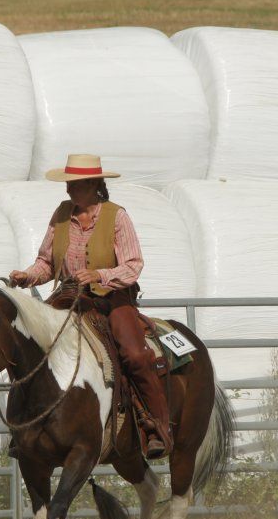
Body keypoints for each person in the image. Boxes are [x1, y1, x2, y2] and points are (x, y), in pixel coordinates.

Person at [9, 154, 171, 459]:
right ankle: (25, 427)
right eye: (69, 184)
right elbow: (46, 263)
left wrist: (100, 274)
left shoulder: (116, 217)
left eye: (76, 185)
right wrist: (27, 276)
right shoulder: (61, 214)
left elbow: (133, 265)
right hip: (68, 297)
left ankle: (154, 424)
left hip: (111, 300)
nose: (69, 190)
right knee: (30, 344)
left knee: (135, 355)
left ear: (94, 185)